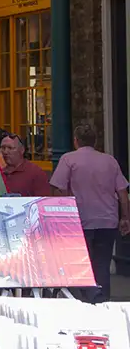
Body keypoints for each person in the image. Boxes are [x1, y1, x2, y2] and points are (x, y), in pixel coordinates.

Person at [51, 124, 130, 303]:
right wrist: (125, 217)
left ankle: (87, 299)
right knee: (102, 262)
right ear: (95, 141)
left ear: (75, 141)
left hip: (80, 219)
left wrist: (65, 209)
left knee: (80, 262)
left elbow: (57, 188)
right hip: (108, 220)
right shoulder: (110, 161)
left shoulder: (68, 159)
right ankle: (101, 300)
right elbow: (123, 193)